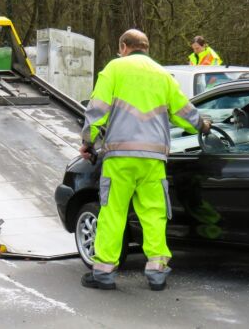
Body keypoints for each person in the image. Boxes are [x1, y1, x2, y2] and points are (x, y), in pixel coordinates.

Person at [79, 29, 211, 291]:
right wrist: (203, 125)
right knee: (154, 214)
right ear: (147, 48)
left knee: (113, 213)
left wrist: (87, 142)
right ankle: (157, 272)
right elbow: (184, 112)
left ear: (124, 47)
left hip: (120, 157)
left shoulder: (114, 69)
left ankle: (104, 272)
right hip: (153, 159)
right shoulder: (163, 75)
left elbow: (97, 111)